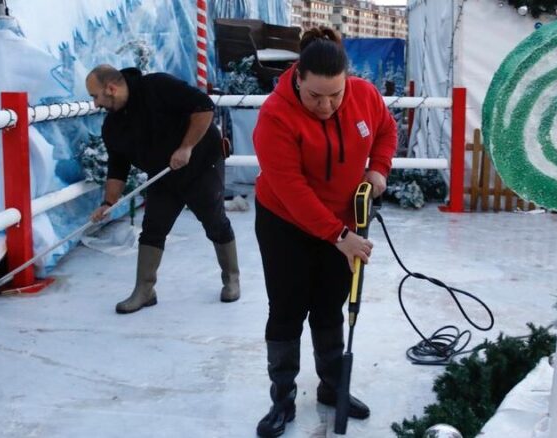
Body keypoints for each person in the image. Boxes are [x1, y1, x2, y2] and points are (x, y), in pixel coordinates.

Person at [251, 27, 397, 437]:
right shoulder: (275, 117)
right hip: (285, 224)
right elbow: (292, 191)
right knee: (287, 310)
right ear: (298, 77)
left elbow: (386, 129)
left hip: (343, 221)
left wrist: (378, 168)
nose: (327, 105)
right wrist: (339, 236)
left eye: (335, 95)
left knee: (329, 307)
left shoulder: (364, 95)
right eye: (316, 96)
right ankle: (282, 398)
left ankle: (334, 387)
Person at [86, 65, 240, 314]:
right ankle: (144, 290)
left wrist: (186, 147)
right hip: (163, 175)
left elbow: (204, 107)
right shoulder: (113, 126)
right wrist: (108, 203)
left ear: (111, 88)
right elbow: (118, 166)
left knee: (214, 221)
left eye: (95, 96)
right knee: (153, 229)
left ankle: (231, 278)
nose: (95, 104)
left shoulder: (158, 86)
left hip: (201, 165)